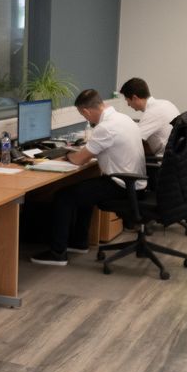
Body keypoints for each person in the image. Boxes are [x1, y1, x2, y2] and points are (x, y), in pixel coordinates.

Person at [30, 87, 146, 267]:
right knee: (84, 191)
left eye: (84, 116)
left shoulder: (105, 127)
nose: (86, 119)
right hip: (134, 181)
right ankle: (79, 242)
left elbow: (79, 160)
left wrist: (67, 155)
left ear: (86, 111)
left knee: (64, 196)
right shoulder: (123, 118)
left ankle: (57, 253)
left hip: (121, 184)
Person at [118, 77, 181, 157]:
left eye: (127, 101)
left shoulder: (152, 113)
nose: (128, 105)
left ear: (134, 98)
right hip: (177, 157)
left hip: (163, 162)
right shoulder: (166, 103)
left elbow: (132, 140)